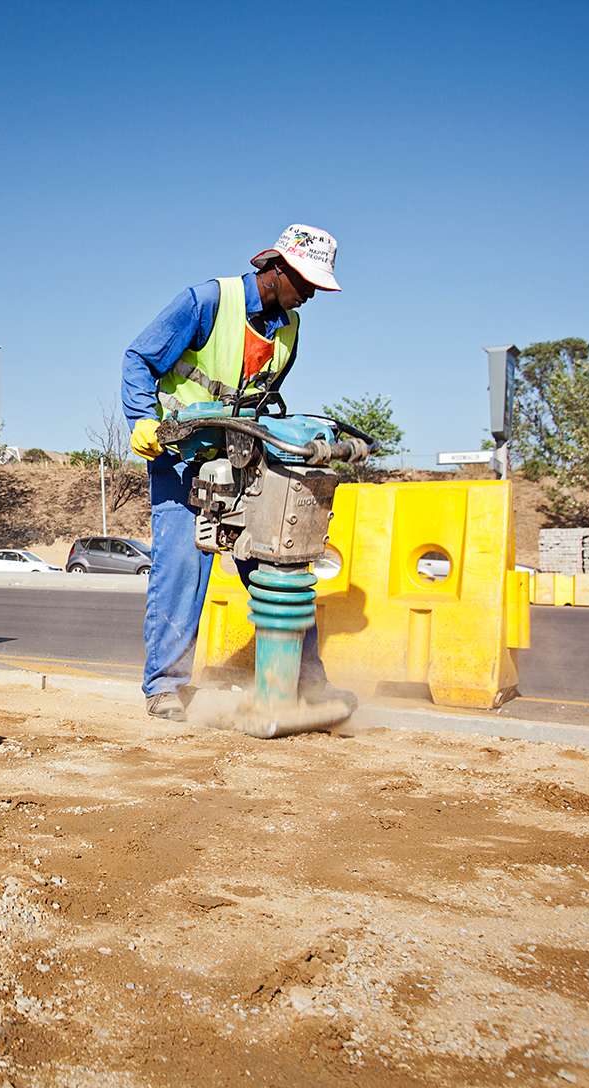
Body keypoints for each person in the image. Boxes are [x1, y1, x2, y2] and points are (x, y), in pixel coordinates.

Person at [121, 224, 351, 721]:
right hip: (183, 457)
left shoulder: (289, 326)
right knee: (182, 567)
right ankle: (166, 687)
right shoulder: (206, 301)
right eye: (306, 283)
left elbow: (263, 395)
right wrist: (142, 417)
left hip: (246, 456)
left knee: (279, 566)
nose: (310, 295)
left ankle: (309, 683)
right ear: (275, 268)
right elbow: (139, 358)